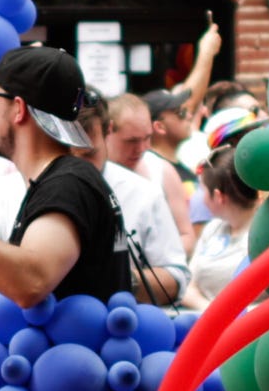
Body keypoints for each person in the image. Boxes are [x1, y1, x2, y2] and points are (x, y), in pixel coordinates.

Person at [0, 46, 133, 307]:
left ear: (18, 108)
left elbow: (31, 283)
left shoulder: (67, 185)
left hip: (74, 348)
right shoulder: (63, 179)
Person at [101, 92, 195, 255]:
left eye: (147, 138)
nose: (142, 148)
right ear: (108, 132)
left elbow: (186, 235)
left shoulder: (160, 169)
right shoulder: (95, 173)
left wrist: (162, 261)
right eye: (132, 141)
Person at [185, 143, 258, 309]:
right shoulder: (213, 228)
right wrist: (210, 312)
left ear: (218, 196)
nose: (200, 199)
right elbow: (188, 286)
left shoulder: (266, 232)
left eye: (202, 190)